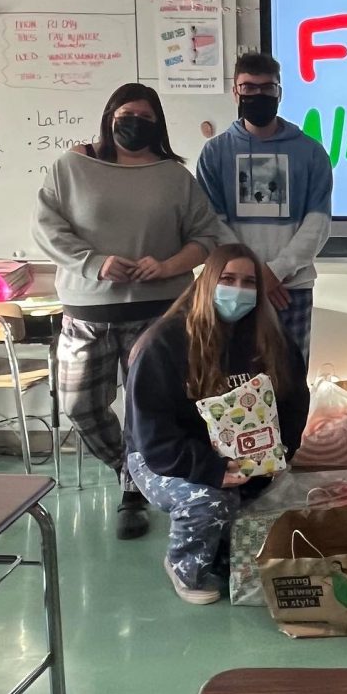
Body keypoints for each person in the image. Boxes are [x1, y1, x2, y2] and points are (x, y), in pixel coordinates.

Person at [33, 83, 223, 540]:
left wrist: (167, 266)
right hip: (86, 312)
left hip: (160, 312)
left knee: (148, 408)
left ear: (157, 124)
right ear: (109, 116)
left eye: (145, 116)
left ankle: (132, 494)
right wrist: (94, 263)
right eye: (125, 113)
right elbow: (47, 228)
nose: (134, 123)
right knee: (80, 406)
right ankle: (133, 471)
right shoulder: (72, 166)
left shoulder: (174, 176)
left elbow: (206, 238)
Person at [124, 244, 309, 604]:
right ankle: (183, 568)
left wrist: (276, 456)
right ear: (208, 283)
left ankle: (223, 547)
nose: (238, 289)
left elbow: (293, 403)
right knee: (210, 500)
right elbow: (152, 436)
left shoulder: (273, 339)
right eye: (228, 279)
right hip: (161, 457)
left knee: (265, 502)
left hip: (243, 456)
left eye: (248, 282)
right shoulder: (165, 342)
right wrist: (209, 469)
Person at [196, 52, 332, 365]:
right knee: (230, 378)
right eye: (249, 88)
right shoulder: (215, 152)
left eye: (267, 88)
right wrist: (256, 275)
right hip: (232, 287)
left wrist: (275, 272)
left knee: (289, 378)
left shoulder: (310, 152)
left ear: (279, 93)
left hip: (290, 287)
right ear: (235, 92)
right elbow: (212, 223)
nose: (258, 95)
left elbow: (318, 223)